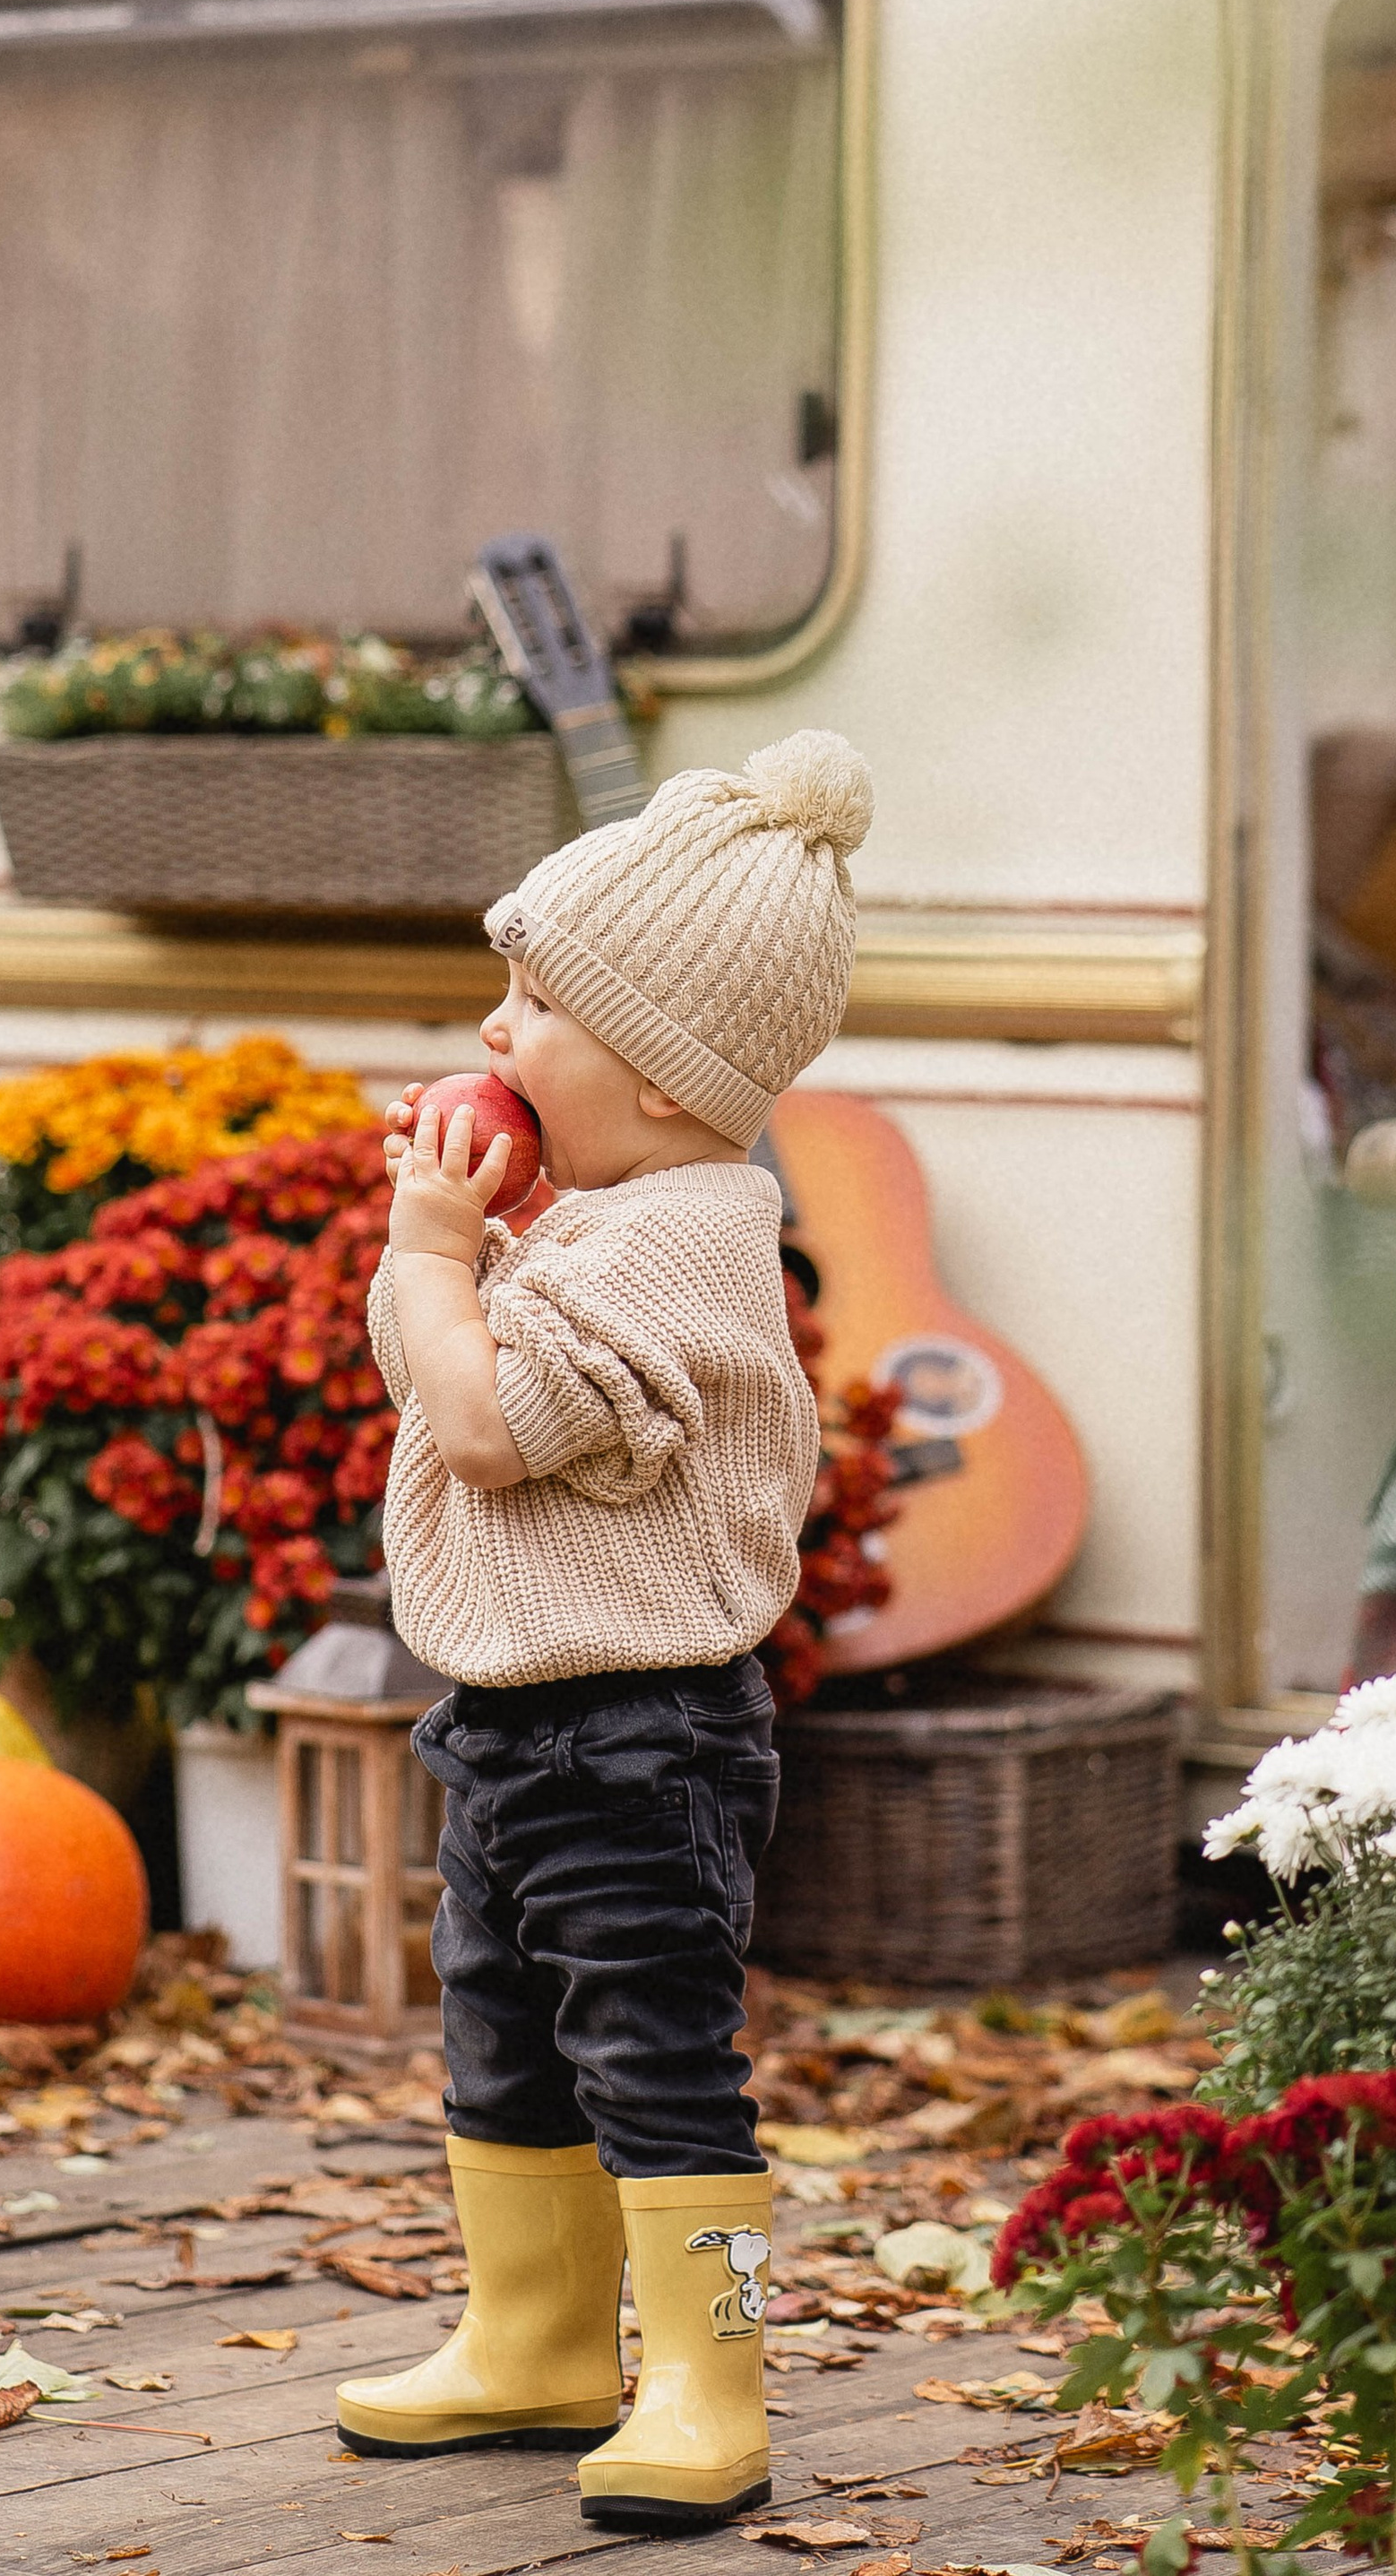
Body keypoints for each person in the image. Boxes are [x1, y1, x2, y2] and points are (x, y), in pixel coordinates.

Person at [334, 729, 875, 2536]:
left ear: (655, 1073)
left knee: (653, 2051)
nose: (494, 1031)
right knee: (503, 2027)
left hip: (640, 1737)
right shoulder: (605, 1215)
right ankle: (537, 2335)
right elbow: (439, 1374)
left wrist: (436, 1253)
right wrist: (449, 1254)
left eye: (536, 1003)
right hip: (517, 1718)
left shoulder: (674, 1246)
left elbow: (483, 1422)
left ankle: (710, 2376)